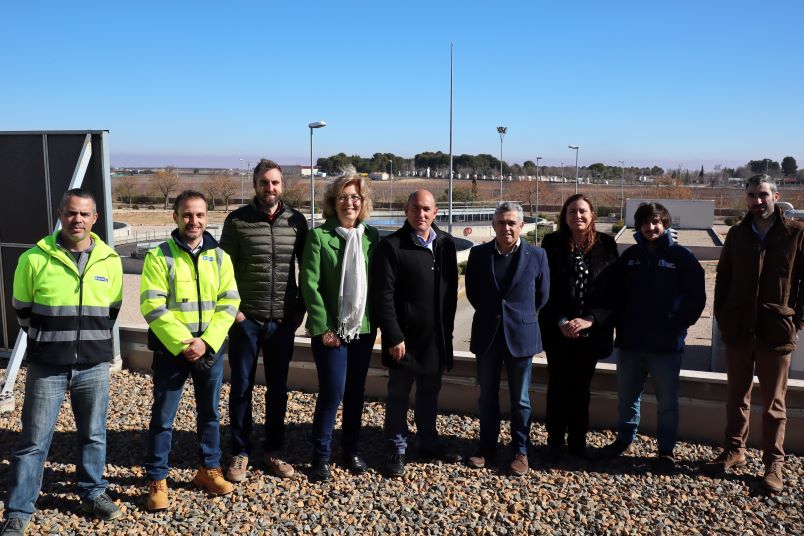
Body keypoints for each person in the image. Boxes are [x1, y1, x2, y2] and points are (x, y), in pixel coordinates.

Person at [2, 189, 123, 535]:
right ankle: (19, 508)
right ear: (60, 215)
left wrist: (88, 342)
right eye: (71, 213)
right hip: (47, 365)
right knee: (34, 440)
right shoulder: (34, 259)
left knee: (93, 434)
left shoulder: (110, 260)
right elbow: (22, 309)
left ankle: (92, 492)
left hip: (94, 365)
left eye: (84, 214)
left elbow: (112, 309)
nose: (77, 220)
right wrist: (50, 340)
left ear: (95, 218)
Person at [702, 175, 804, 493]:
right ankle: (735, 450)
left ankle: (774, 462)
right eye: (752, 195)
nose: (757, 201)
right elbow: (723, 279)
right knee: (737, 397)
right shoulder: (737, 234)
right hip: (739, 331)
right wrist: (724, 317)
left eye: (763, 195)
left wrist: (796, 321)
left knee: (774, 404)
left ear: (776, 196)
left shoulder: (795, 233)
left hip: (776, 331)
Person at [140, 190, 240, 510]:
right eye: (186, 214)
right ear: (175, 217)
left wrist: (206, 342)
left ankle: (209, 469)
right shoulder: (159, 256)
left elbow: (229, 302)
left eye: (199, 215)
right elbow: (152, 305)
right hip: (172, 350)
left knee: (209, 413)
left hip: (209, 348)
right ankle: (157, 478)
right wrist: (184, 343)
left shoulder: (220, 257)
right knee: (163, 416)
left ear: (207, 218)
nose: (193, 221)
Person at [219, 159, 308, 482]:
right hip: (246, 319)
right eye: (264, 182)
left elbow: (307, 268)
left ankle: (274, 449)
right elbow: (222, 269)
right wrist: (235, 312)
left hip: (282, 322)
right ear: (255, 185)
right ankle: (240, 450)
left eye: (275, 182)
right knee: (241, 387)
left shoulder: (296, 221)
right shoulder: (237, 221)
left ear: (282, 185)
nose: (270, 188)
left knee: (278, 389)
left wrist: (299, 310)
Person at [601, 202, 705, 473]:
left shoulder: (681, 256)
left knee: (667, 402)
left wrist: (678, 324)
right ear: (638, 226)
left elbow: (696, 296)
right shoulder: (630, 257)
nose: (651, 227)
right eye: (645, 222)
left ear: (665, 224)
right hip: (631, 344)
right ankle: (624, 439)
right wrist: (620, 324)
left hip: (666, 346)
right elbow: (615, 294)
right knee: (627, 397)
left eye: (656, 222)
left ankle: (666, 450)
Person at [372, 190, 460, 478]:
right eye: (415, 209)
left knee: (429, 394)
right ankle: (396, 447)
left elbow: (450, 293)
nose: (420, 214)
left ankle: (427, 439)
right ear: (406, 211)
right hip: (404, 339)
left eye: (426, 209)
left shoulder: (445, 244)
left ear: (435, 212)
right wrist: (393, 336)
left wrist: (447, 335)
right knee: (398, 395)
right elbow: (383, 296)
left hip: (435, 338)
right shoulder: (392, 246)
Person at [300, 168, 379, 482]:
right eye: (343, 197)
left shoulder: (371, 236)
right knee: (332, 392)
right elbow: (310, 285)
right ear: (333, 202)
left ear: (363, 202)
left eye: (355, 197)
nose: (349, 203)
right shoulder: (319, 236)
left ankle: (350, 450)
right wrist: (324, 328)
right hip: (331, 330)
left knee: (356, 392)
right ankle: (320, 456)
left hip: (363, 328)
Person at [464, 201, 549, 476]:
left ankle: (520, 450)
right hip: (487, 336)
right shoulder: (479, 254)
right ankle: (487, 447)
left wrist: (519, 317)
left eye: (512, 223)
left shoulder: (537, 255)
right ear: (493, 225)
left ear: (522, 226)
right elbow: (473, 293)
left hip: (521, 337)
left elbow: (542, 296)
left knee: (520, 399)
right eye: (501, 222)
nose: (506, 228)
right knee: (487, 396)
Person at [539, 193, 619, 460]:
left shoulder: (607, 244)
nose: (578, 216)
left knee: (581, 388)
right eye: (572, 211)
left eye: (583, 211)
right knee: (557, 385)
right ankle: (554, 441)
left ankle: (577, 441)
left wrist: (591, 319)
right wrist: (561, 321)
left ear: (592, 214)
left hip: (590, 332)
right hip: (558, 331)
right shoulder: (551, 243)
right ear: (564, 216)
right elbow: (545, 289)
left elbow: (613, 291)